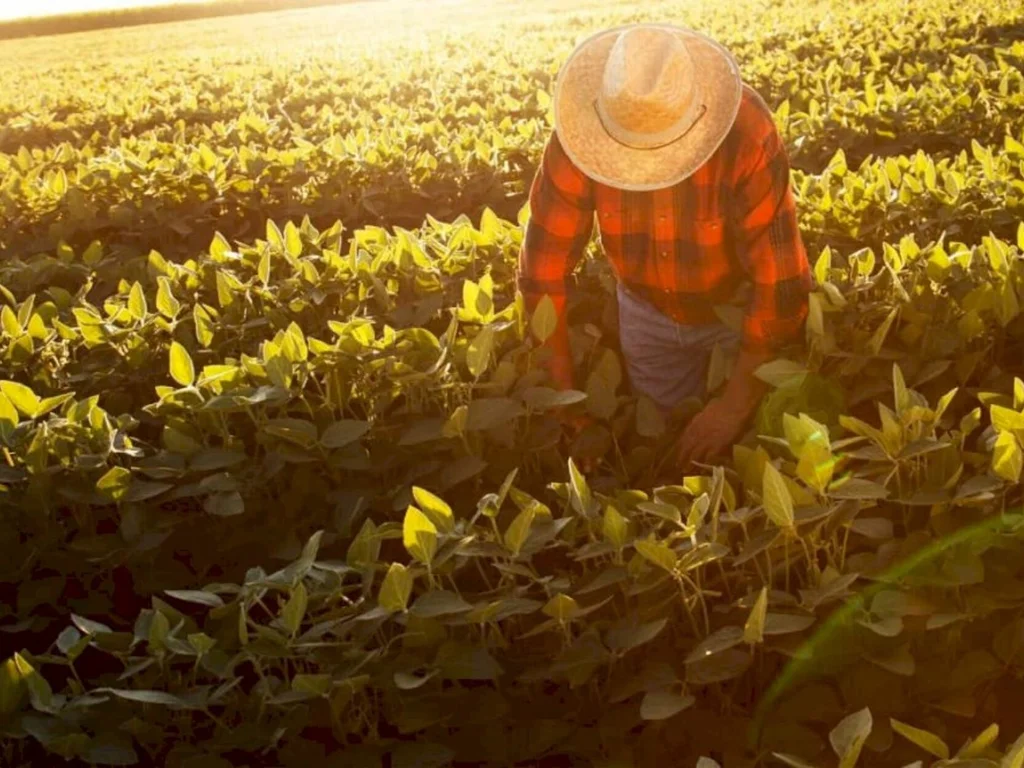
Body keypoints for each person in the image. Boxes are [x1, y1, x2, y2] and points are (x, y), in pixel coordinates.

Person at [517, 23, 812, 467]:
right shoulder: (577, 137)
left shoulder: (746, 132)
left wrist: (733, 407)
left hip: (734, 309)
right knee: (669, 447)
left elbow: (780, 286)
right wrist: (565, 404)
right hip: (644, 311)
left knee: (742, 449)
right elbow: (542, 272)